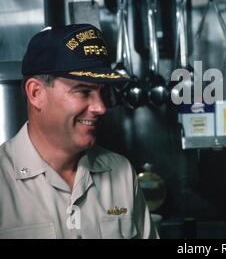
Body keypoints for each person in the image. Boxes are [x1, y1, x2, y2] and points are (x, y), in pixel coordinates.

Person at [0, 24, 158, 239]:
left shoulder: (120, 172)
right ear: (36, 93)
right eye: (83, 91)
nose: (100, 107)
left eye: (102, 92)